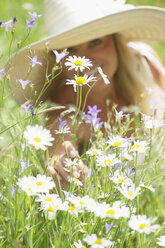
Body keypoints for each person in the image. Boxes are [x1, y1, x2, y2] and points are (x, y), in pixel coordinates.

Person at [7, 0, 165, 189]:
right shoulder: (65, 108)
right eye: (71, 50)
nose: (85, 61)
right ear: (59, 59)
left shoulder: (145, 62)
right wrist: (61, 163)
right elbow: (59, 147)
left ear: (114, 39)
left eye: (95, 42)